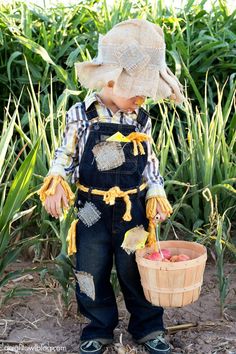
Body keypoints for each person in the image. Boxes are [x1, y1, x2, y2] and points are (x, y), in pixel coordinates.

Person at [37, 19, 184, 354]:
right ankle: (98, 327)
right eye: (139, 90)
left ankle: (148, 326)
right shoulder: (83, 115)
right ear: (113, 81)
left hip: (133, 210)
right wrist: (57, 180)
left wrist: (156, 194)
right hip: (91, 209)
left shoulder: (141, 120)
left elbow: (150, 163)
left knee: (137, 271)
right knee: (90, 269)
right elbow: (66, 153)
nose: (143, 98)